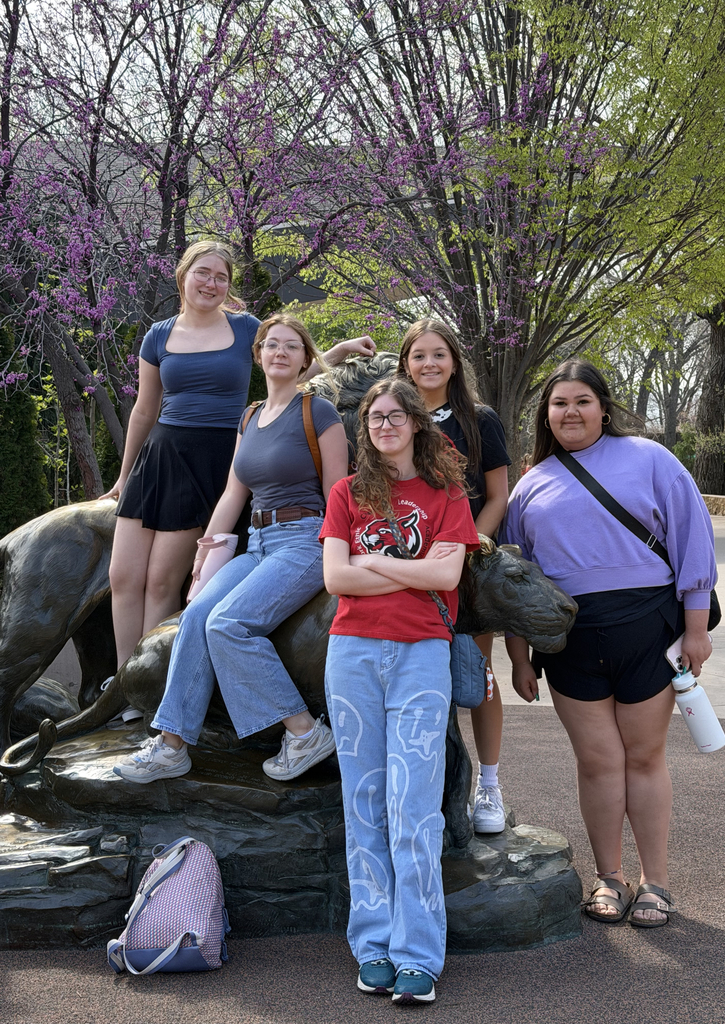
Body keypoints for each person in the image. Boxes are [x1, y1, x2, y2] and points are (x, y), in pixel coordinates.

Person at [501, 358, 717, 928]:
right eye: (559, 404)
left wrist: (695, 628)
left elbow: (695, 547)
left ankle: (656, 882)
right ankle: (609, 878)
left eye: (581, 401)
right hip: (568, 638)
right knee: (598, 762)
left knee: (643, 757)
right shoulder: (531, 484)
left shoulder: (652, 460)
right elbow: (518, 579)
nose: (570, 412)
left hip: (648, 627)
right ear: (546, 415)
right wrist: (519, 656)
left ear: (603, 407)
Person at [101, 240, 375, 674]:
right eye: (203, 273)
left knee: (160, 582)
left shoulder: (246, 328)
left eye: (221, 277)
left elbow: (291, 363)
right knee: (122, 577)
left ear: (229, 287)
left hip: (216, 457)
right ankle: (122, 683)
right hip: (159, 456)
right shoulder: (158, 335)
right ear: (183, 275)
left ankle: (146, 682)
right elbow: (143, 410)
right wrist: (123, 476)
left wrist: (338, 351)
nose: (211, 283)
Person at [113, 312, 350, 783]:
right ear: (258, 354)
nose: (280, 352)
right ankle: (172, 745)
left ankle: (303, 731)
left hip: (304, 539)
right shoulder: (250, 417)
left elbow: (338, 492)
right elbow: (232, 494)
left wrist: (341, 556)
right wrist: (205, 553)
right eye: (271, 344)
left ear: (306, 360)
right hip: (257, 542)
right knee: (197, 616)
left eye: (291, 346)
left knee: (229, 624)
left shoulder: (318, 413)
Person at [321, 377, 479, 1003]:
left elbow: (447, 573)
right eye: (374, 417)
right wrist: (414, 575)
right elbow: (336, 578)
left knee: (414, 805)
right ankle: (374, 943)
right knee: (364, 801)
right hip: (353, 654)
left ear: (417, 422)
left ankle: (418, 953)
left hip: (421, 656)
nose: (384, 425)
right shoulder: (348, 493)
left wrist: (376, 565)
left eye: (395, 415)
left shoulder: (446, 495)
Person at [397, 319, 511, 833]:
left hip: (464, 566)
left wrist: (469, 547)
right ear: (405, 364)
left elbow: (498, 495)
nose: (429, 364)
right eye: (418, 355)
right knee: (419, 679)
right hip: (407, 567)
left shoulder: (478, 420)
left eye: (438, 354)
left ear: (454, 362)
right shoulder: (391, 416)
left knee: (477, 675)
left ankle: (489, 785)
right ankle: (434, 786)